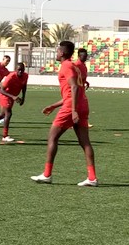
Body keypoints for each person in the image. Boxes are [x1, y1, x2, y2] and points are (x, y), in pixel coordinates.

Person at [31, 41, 98, 187]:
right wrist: (53, 106)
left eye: (57, 51)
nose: (56, 53)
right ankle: (92, 178)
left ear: (62, 52)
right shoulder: (75, 66)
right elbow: (72, 92)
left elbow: (74, 88)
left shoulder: (66, 66)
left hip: (71, 108)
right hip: (83, 105)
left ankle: (47, 174)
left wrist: (73, 110)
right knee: (85, 142)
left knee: (52, 137)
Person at [0, 62, 28, 142]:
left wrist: (23, 98)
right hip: (5, 95)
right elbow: (1, 90)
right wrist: (13, 97)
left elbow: (24, 87)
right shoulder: (11, 77)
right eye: (18, 70)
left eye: (22, 70)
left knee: (3, 114)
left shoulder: (25, 76)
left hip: (12, 96)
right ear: (15, 70)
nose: (20, 72)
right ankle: (5, 136)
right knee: (8, 113)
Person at [74, 48, 92, 128]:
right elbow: (74, 77)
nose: (84, 57)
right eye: (82, 56)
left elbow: (82, 77)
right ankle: (75, 121)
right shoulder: (76, 65)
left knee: (81, 107)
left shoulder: (83, 65)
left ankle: (82, 122)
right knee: (78, 106)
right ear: (78, 56)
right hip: (77, 89)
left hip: (81, 89)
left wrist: (86, 82)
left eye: (85, 56)